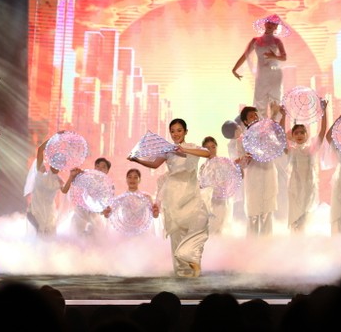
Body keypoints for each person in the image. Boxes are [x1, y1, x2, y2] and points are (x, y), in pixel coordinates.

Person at [128, 119, 210, 277]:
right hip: (173, 194)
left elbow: (207, 153)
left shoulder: (192, 147)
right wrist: (136, 159)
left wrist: (184, 150)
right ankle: (181, 271)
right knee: (176, 232)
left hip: (191, 193)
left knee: (195, 228)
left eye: (179, 130)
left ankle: (192, 262)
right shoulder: (168, 150)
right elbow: (154, 164)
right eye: (173, 131)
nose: (176, 133)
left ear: (185, 131)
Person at [280, 98, 328, 232]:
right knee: (295, 216)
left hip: (309, 185)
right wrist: (283, 116)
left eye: (302, 132)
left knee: (305, 215)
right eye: (296, 133)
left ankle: (303, 238)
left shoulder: (311, 149)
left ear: (307, 135)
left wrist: (324, 112)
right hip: (295, 186)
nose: (299, 135)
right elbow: (281, 136)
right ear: (292, 136)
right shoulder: (292, 150)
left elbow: (322, 131)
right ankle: (295, 237)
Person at [234, 103, 281, 237]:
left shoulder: (267, 133)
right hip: (253, 177)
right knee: (253, 214)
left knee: (267, 212)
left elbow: (275, 142)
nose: (255, 117)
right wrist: (246, 158)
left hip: (268, 173)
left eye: (256, 115)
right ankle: (251, 245)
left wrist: (274, 113)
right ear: (245, 121)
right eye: (251, 116)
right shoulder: (242, 139)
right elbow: (242, 164)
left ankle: (267, 245)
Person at [231, 13, 289, 120]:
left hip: (274, 74)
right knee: (260, 103)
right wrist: (234, 69)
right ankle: (261, 127)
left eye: (273, 24)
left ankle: (274, 126)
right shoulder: (255, 41)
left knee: (274, 103)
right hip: (261, 75)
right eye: (269, 22)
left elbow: (284, 57)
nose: (270, 25)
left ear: (276, 27)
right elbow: (245, 55)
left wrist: (274, 56)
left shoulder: (277, 41)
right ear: (265, 24)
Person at [23, 134, 66, 236]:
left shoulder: (59, 180)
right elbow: (40, 150)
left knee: (50, 233)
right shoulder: (41, 173)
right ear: (51, 163)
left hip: (49, 211)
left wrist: (72, 177)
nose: (57, 165)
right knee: (40, 231)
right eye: (56, 162)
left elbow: (64, 190)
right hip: (36, 209)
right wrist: (54, 138)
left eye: (60, 164)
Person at [62, 157, 113, 236]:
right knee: (76, 235)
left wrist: (106, 212)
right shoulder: (85, 179)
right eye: (97, 166)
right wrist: (72, 176)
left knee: (94, 236)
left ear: (107, 171)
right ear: (94, 168)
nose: (99, 169)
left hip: (94, 216)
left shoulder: (107, 188)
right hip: (80, 213)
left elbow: (105, 206)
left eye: (103, 167)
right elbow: (65, 190)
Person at [199, 136, 233, 235]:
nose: (211, 150)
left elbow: (229, 179)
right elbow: (201, 184)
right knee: (209, 228)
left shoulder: (224, 163)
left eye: (213, 147)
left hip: (220, 200)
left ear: (216, 147)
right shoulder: (203, 166)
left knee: (219, 227)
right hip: (207, 201)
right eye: (207, 148)